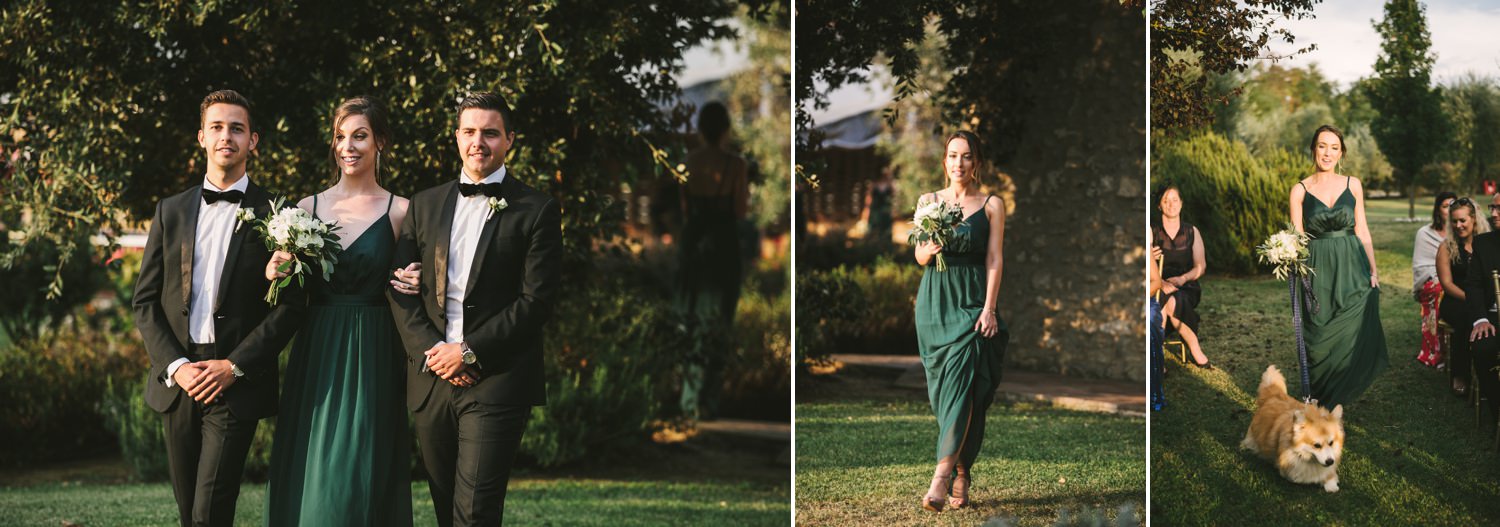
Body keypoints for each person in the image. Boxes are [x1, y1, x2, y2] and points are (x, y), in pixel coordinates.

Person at [387, 92, 562, 526]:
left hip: (496, 378)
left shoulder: (537, 210)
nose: (478, 142)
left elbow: (536, 301)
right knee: (447, 510)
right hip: (432, 378)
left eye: (490, 132)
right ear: (456, 137)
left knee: (476, 513)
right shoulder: (424, 205)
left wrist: (467, 351)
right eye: (469, 131)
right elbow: (399, 289)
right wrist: (436, 351)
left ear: (509, 141)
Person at [131, 90, 304, 527]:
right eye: (217, 127)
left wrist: (235, 365)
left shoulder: (280, 215)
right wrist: (175, 365)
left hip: (234, 381)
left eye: (237, 128)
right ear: (202, 138)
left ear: (254, 140)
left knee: (210, 509)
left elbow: (289, 309)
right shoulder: (169, 211)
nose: (227, 136)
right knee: (189, 510)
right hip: (179, 380)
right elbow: (145, 301)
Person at [262, 97, 412, 525]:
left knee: (360, 464)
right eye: (341, 137)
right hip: (318, 349)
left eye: (360, 136)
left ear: (380, 142)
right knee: (316, 465)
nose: (348, 146)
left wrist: (417, 279)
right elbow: (288, 290)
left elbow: (414, 282)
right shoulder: (304, 210)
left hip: (374, 348)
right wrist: (276, 270)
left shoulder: (401, 211)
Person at [913, 130, 1006, 512]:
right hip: (934, 304)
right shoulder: (927, 201)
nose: (959, 163)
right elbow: (918, 255)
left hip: (971, 302)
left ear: (977, 163)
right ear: (944, 161)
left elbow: (994, 259)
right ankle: (963, 472)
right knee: (945, 396)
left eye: (966, 156)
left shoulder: (991, 205)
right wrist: (928, 247)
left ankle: (940, 478)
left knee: (968, 385)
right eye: (953, 156)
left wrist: (989, 308)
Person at [1289, 124, 1388, 409]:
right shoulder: (1300, 190)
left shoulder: (1352, 184)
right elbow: (1297, 236)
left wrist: (1373, 269)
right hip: (1317, 267)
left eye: (1334, 147)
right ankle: (1321, 397)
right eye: (1322, 146)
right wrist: (1288, 256)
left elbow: (1363, 230)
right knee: (1319, 332)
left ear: (1341, 152)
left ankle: (1339, 397)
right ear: (1313, 149)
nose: (1327, 153)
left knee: (1350, 328)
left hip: (1351, 263)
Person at [677, 101, 749, 420]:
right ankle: (710, 402)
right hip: (723, 246)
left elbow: (684, 211)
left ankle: (688, 401)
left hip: (693, 245)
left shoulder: (687, 163)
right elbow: (740, 211)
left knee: (691, 320)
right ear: (725, 129)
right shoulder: (736, 165)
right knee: (720, 321)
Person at [1152, 186, 1210, 368]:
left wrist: (1183, 279)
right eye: (1165, 200)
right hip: (1158, 283)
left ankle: (1158, 357)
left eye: (1175, 199)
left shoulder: (1192, 231)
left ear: (1181, 203)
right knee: (1165, 298)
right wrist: (1149, 260)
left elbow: (1201, 267)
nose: (1171, 204)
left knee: (1171, 300)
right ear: (1160, 206)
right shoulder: (1150, 231)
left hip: (1186, 285)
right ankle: (1195, 351)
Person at [1438, 197, 1487, 396]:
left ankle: (1487, 371)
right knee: (1468, 319)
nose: (1458, 225)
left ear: (1474, 219)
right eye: (1454, 221)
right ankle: (1460, 374)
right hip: (1456, 300)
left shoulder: (1487, 244)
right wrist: (1472, 299)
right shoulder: (1446, 247)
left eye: (1463, 220)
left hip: (1482, 300)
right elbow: (1447, 284)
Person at [1413, 192, 1455, 367]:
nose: (1450, 209)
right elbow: (1422, 266)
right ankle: (1435, 351)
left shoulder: (1462, 229)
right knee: (1440, 290)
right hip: (1432, 279)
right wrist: (1443, 278)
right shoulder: (1425, 233)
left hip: (1455, 278)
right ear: (1438, 210)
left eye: (1454, 204)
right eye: (1445, 206)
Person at [860, 166, 895, 246]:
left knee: (886, 229)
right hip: (875, 209)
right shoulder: (874, 184)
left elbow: (893, 197)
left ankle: (885, 245)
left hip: (886, 210)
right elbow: (868, 198)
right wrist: (867, 209)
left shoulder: (890, 185)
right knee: (873, 227)